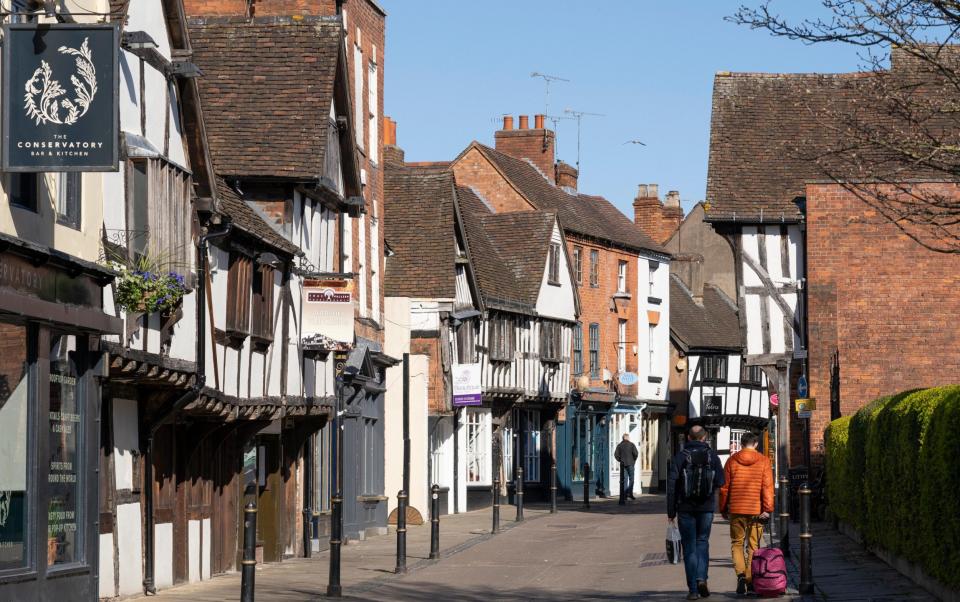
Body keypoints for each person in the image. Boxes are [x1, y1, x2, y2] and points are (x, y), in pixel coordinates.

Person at [667, 425, 725, 600]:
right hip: (706, 507)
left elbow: (671, 487)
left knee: (689, 547)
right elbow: (721, 482)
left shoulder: (679, 457)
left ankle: (693, 589)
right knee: (702, 542)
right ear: (704, 437)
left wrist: (671, 511)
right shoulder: (712, 457)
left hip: (685, 508)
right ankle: (702, 578)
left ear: (689, 437)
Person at [719, 432, 774, 596]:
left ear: (741, 444)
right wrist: (767, 509)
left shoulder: (731, 461)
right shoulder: (764, 461)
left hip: (736, 509)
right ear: (756, 444)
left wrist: (723, 508)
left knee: (736, 543)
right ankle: (750, 580)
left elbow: (724, 488)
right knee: (753, 546)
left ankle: (741, 575)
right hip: (756, 510)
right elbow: (767, 487)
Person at [614, 433, 639, 504]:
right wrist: (633, 460)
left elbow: (616, 455)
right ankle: (630, 493)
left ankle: (624, 495)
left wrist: (620, 460)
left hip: (623, 465)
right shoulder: (631, 445)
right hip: (630, 464)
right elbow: (636, 454)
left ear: (623, 438)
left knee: (624, 480)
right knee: (631, 479)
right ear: (627, 438)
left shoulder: (619, 445)